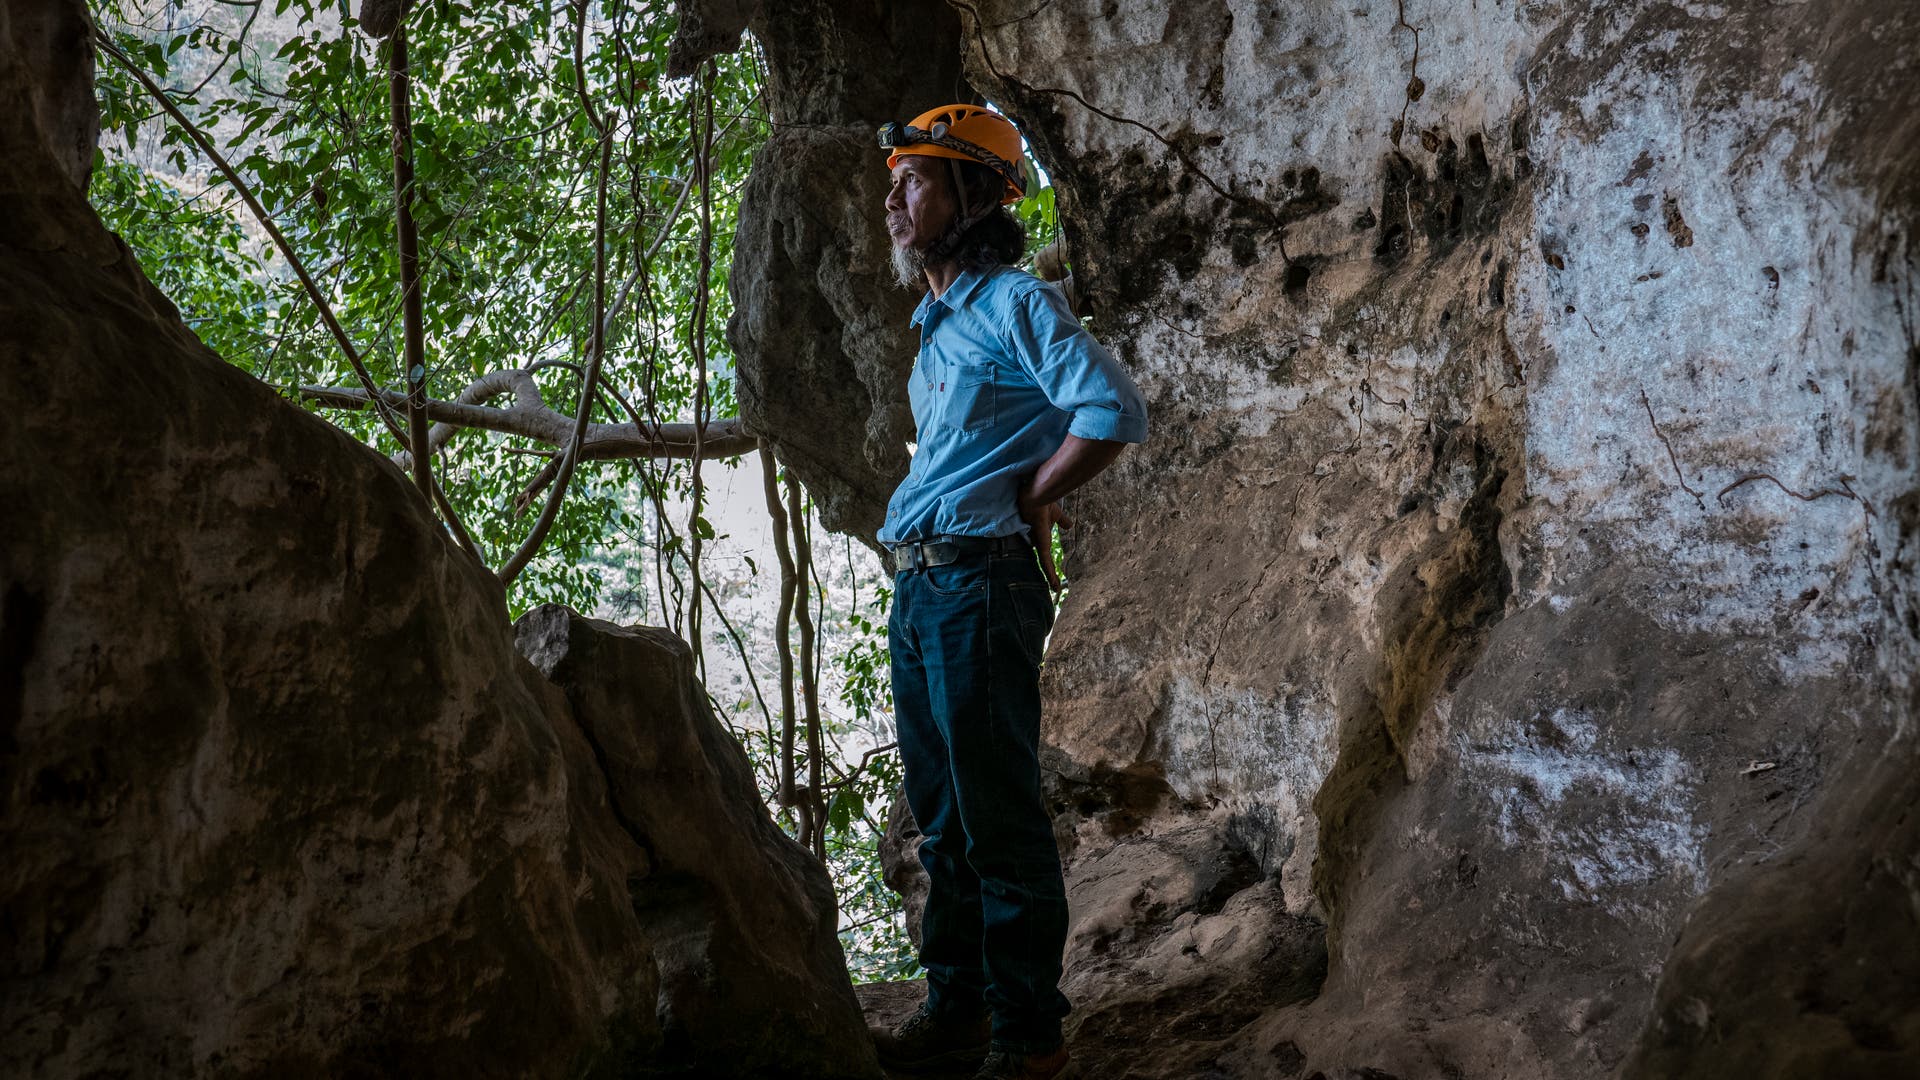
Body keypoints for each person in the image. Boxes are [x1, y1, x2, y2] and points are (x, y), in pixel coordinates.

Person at [867, 104, 1148, 1080]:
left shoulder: (1013, 304)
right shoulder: (936, 327)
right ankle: (957, 1007)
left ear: (974, 193)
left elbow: (1113, 407)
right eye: (893, 180)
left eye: (915, 181)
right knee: (939, 812)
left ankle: (1028, 1040)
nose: (893, 199)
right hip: (923, 588)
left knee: (995, 816)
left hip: (982, 584)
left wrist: (1035, 489)